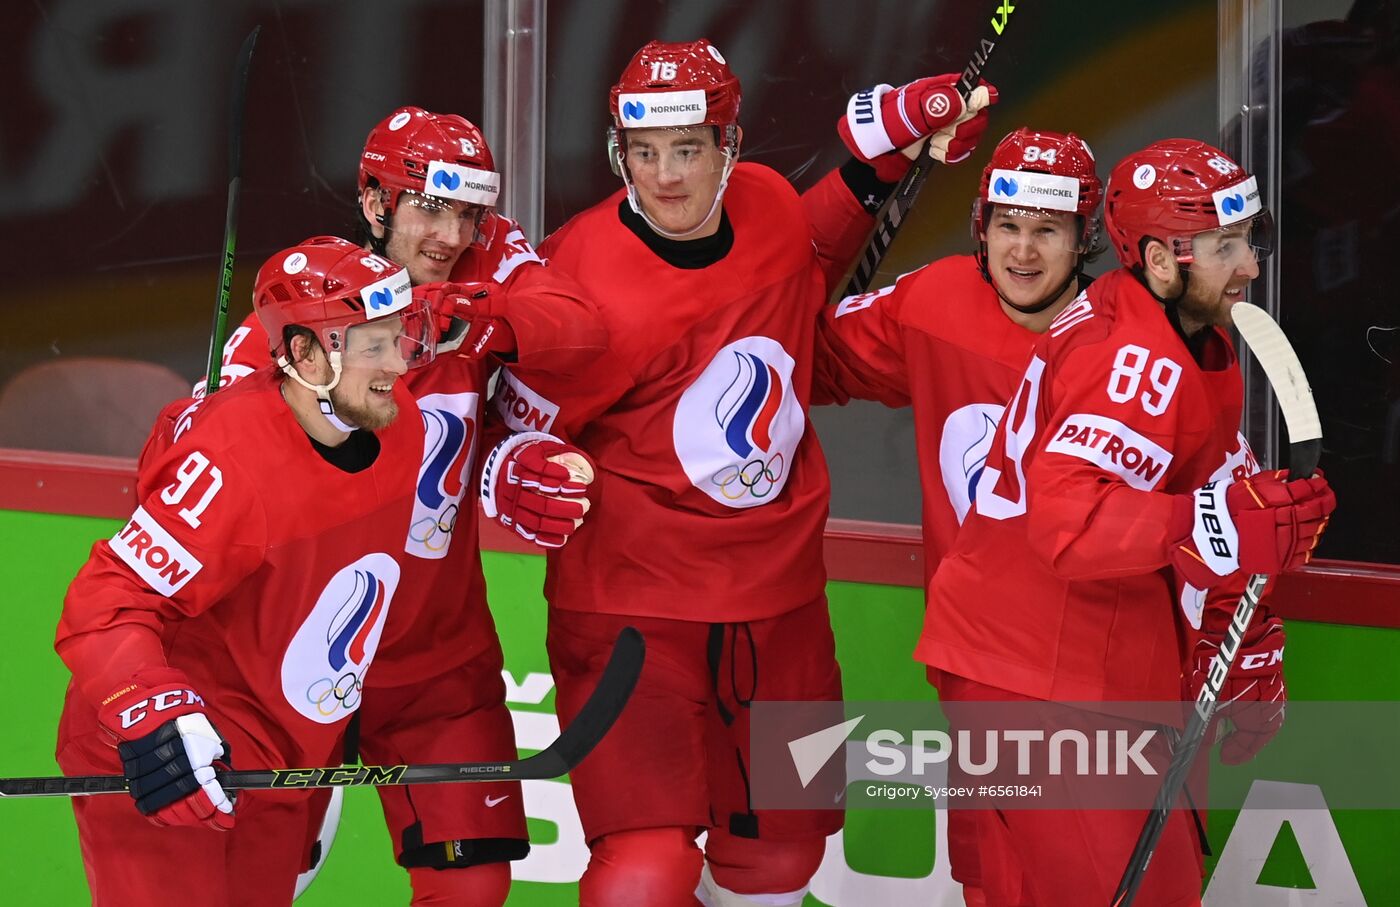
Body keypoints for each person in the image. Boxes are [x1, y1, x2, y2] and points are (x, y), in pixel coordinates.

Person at [488, 38, 995, 906]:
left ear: (730, 144)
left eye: (687, 150)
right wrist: (514, 465)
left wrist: (887, 151)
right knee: (643, 871)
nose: (666, 178)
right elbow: (506, 419)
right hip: (631, 613)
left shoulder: (763, 201)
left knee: (779, 858)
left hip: (782, 607)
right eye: (643, 154)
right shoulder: (577, 275)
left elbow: (803, 255)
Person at [142, 108, 606, 905]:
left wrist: (495, 455)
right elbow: (201, 487)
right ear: (374, 203)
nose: (448, 233)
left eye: (468, 212)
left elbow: (585, 336)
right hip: (296, 659)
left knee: (473, 887)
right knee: (263, 879)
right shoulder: (297, 317)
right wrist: (184, 433)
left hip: (435, 664)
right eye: (429, 206)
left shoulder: (482, 264)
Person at [914, 139, 1337, 905]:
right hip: (1038, 676)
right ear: (1161, 259)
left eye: (1247, 239)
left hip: (1041, 655)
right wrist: (1226, 525)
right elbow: (1070, 526)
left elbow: (1204, 499)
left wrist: (1240, 622)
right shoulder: (1135, 361)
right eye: (1225, 247)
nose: (1250, 265)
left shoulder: (1169, 326)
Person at [812, 127, 1104, 907]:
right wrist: (867, 175)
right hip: (980, 662)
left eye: (1048, 228)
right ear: (982, 227)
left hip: (1100, 665)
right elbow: (801, 357)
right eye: (1008, 225)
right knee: (995, 880)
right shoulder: (936, 300)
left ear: (1087, 235)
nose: (1024, 250)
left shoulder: (1130, 340)